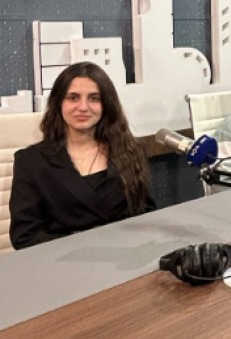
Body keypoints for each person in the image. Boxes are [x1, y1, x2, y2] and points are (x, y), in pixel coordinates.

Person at [10, 62, 154, 249]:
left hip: (126, 254)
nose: (83, 107)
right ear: (59, 103)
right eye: (73, 98)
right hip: (63, 260)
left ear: (106, 105)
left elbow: (146, 214)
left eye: (94, 98)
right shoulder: (31, 161)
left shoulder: (131, 150)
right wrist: (90, 244)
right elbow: (25, 236)